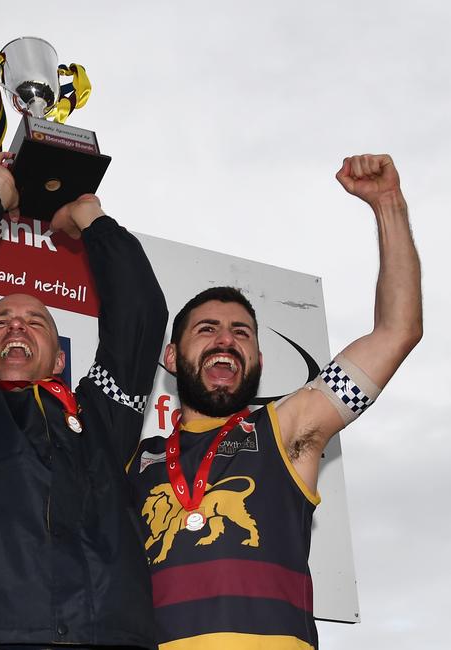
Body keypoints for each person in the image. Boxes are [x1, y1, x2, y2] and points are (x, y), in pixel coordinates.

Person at [128, 154, 422, 649]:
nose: (225, 340)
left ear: (259, 360)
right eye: (207, 330)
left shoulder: (285, 432)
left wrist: (388, 205)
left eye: (240, 333)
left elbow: (397, 332)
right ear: (172, 357)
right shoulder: (136, 461)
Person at [0, 151, 167, 650]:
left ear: (60, 361)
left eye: (36, 322)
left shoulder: (99, 416)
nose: (17, 325)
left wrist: (90, 217)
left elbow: (140, 311)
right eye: (0, 321)